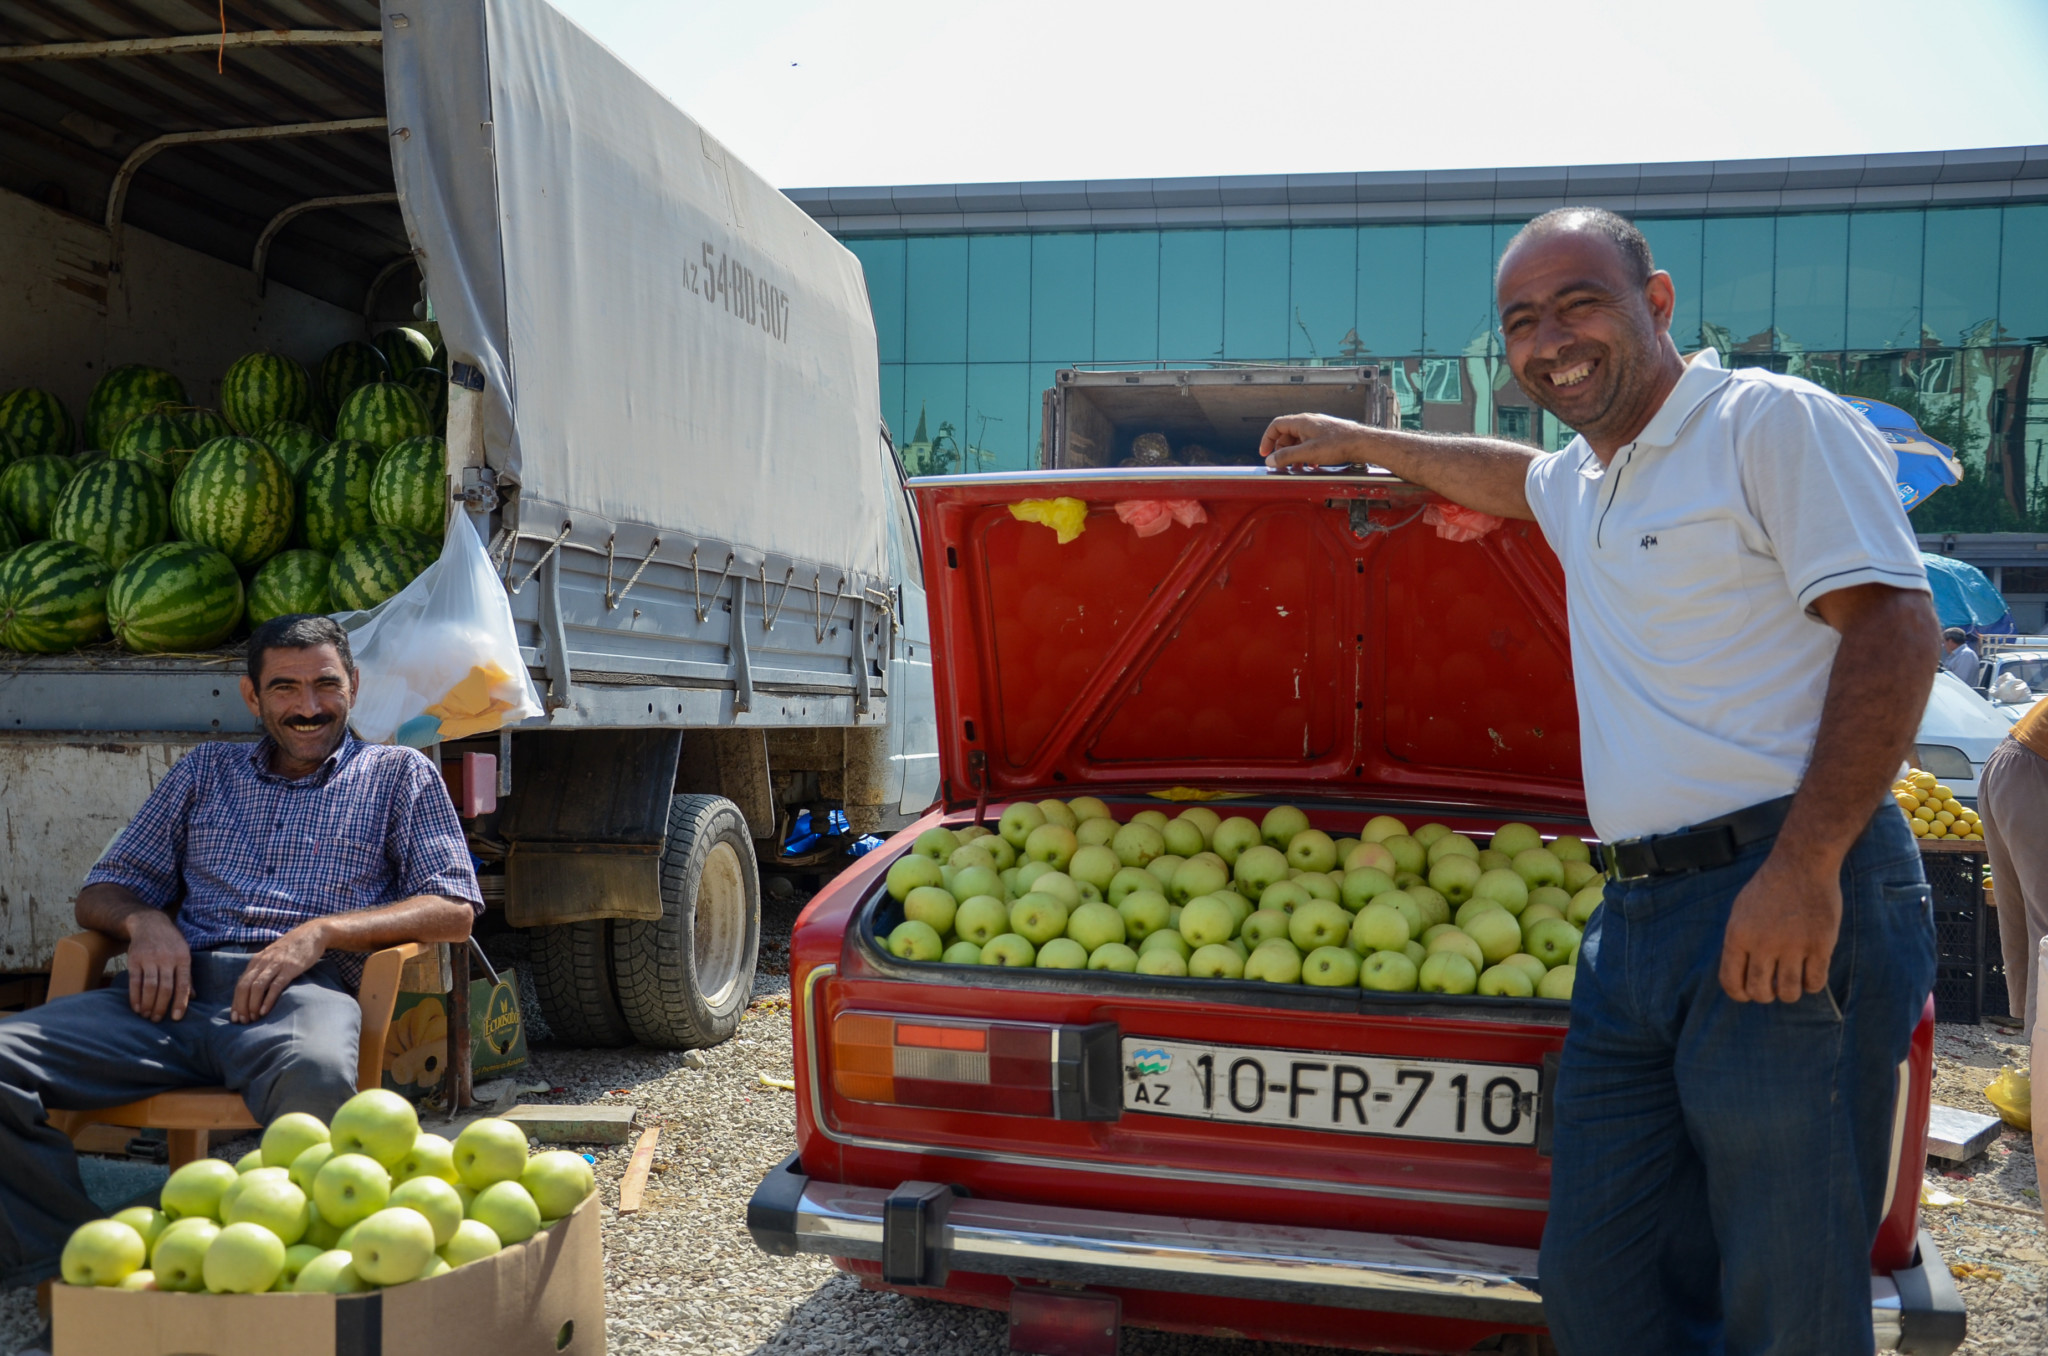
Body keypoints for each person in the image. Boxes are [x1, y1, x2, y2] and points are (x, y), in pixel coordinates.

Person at [1261, 206, 1938, 1355]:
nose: (1549, 340)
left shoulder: (1763, 422)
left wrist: (1804, 866)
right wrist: (1363, 441)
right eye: (1520, 322)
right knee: (1598, 1275)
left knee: (1783, 1286)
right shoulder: (1590, 479)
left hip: (1775, 883)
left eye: (1577, 303)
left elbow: (1892, 631)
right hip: (1630, 918)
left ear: (1656, 301)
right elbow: (1510, 475)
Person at [0, 614, 482, 1289]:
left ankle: (281, 1274)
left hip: (301, 997)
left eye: (325, 685)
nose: (308, 707)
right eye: (285, 688)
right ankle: (69, 1263)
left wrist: (323, 932)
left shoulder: (397, 775)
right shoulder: (205, 771)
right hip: (168, 996)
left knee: (316, 1078)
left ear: (355, 686)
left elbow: (453, 908)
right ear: (252, 696)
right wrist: (144, 922)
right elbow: (103, 891)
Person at [1979, 694, 2048, 1033]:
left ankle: (2039, 1064)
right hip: (2033, 770)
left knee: (2030, 924)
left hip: (2016, 767)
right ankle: (2044, 1067)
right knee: (2045, 932)